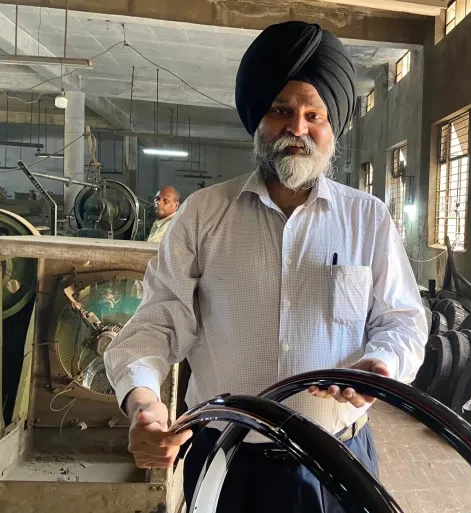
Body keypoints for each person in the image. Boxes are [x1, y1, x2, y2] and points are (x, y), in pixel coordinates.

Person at [104, 21, 428, 513]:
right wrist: (142, 400)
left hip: (336, 457)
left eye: (313, 114)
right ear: (258, 119)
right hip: (225, 458)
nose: (297, 128)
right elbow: (159, 319)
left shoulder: (367, 219)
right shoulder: (204, 213)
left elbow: (401, 321)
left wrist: (384, 365)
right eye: (281, 111)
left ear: (330, 128)